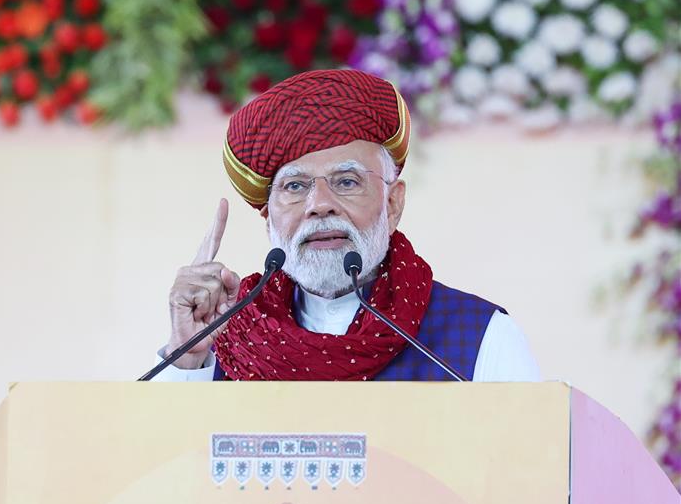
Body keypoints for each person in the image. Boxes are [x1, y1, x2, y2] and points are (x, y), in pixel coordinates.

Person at [154, 68, 540, 382]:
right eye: (295, 186)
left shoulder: (478, 336)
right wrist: (187, 356)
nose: (320, 205)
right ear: (268, 218)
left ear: (392, 204)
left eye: (346, 181)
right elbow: (160, 466)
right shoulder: (227, 333)